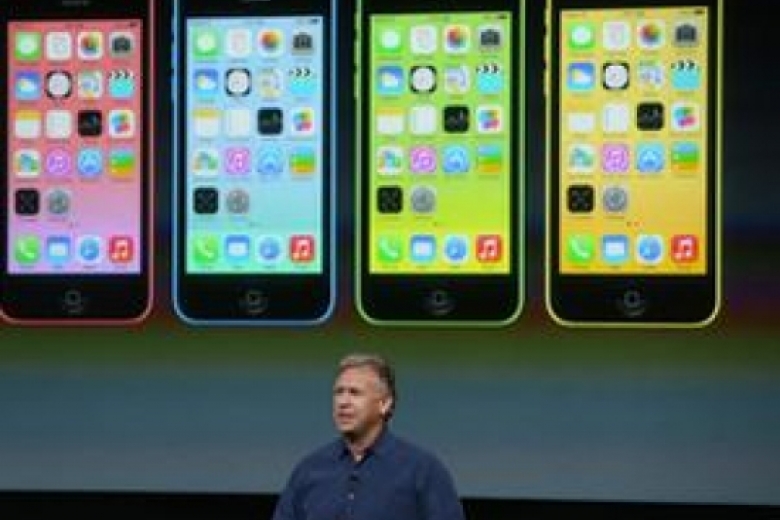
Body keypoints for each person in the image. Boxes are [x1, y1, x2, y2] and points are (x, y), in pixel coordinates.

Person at [271, 352, 467, 520]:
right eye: (338, 392)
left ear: (385, 404)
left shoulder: (422, 470)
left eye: (355, 393)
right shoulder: (309, 469)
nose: (343, 402)